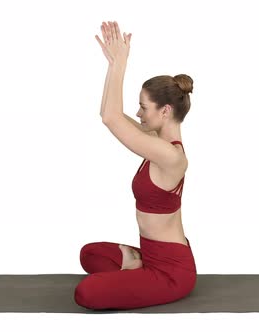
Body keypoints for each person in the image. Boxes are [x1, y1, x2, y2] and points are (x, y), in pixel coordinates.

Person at [74, 21, 196, 310]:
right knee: (89, 254)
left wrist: (122, 63)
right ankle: (138, 267)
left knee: (86, 293)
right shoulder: (153, 140)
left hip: (171, 272)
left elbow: (112, 118)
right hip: (151, 255)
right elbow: (106, 112)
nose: (139, 113)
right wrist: (113, 63)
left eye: (143, 106)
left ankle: (142, 275)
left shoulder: (171, 156)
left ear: (165, 111)